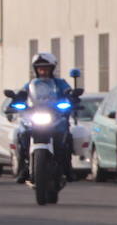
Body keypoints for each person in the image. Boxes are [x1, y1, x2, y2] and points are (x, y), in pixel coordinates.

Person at [11, 51, 74, 184]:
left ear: (52, 68)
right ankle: (24, 166)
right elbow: (22, 94)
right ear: (35, 69)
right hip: (35, 114)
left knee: (66, 135)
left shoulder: (59, 83)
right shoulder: (30, 84)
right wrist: (16, 100)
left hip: (55, 115)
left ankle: (67, 167)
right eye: (40, 68)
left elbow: (67, 91)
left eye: (46, 68)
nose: (43, 70)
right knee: (22, 133)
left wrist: (71, 95)